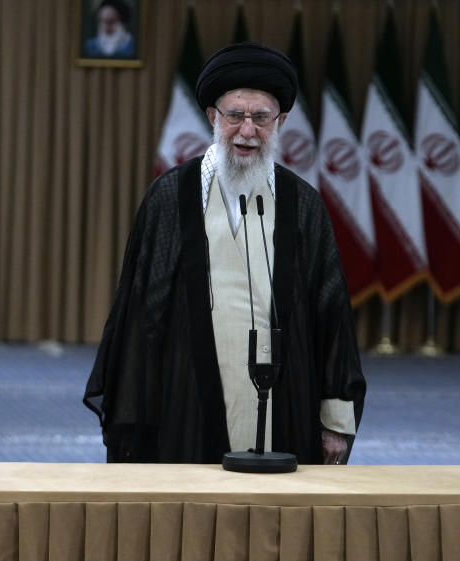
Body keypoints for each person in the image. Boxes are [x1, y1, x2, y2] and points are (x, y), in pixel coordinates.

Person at [83, 41, 366, 465]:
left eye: (261, 118)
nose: (247, 130)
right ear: (213, 117)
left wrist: (336, 423)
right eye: (235, 116)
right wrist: (133, 420)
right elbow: (141, 312)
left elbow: (332, 317)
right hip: (185, 409)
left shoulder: (302, 204)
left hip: (286, 405)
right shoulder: (171, 197)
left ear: (281, 121)